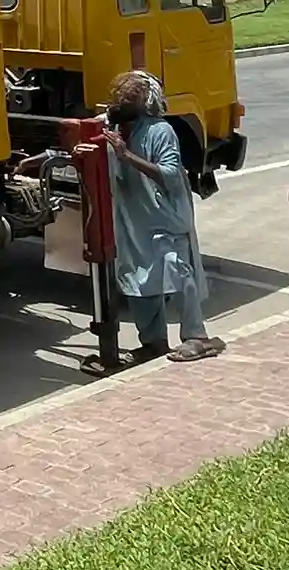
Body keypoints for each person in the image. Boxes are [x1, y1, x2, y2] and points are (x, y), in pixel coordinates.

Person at [81, 70, 224, 372]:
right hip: (133, 221)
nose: (118, 100)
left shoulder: (160, 131)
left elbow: (171, 174)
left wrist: (126, 155)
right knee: (138, 280)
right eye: (116, 94)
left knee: (177, 271)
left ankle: (197, 336)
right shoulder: (112, 128)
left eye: (127, 96)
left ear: (143, 103)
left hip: (165, 219)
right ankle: (154, 341)